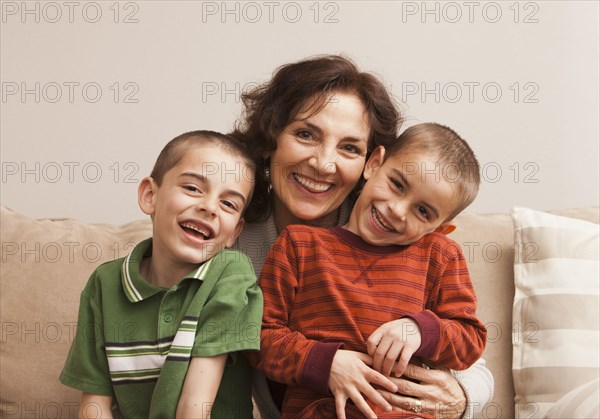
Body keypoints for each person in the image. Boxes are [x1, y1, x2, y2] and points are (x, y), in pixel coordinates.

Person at [232, 55, 494, 418]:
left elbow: (471, 352)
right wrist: (328, 364)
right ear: (272, 136)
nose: (324, 164)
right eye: (306, 134)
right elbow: (256, 340)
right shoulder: (232, 233)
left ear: (369, 160)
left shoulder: (420, 245)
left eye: (349, 147)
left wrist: (459, 396)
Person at [59, 130, 263, 418]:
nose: (209, 207)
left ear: (235, 233)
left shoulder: (230, 273)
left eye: (228, 203)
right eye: (193, 188)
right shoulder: (104, 284)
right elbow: (94, 404)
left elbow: (195, 407)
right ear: (149, 195)